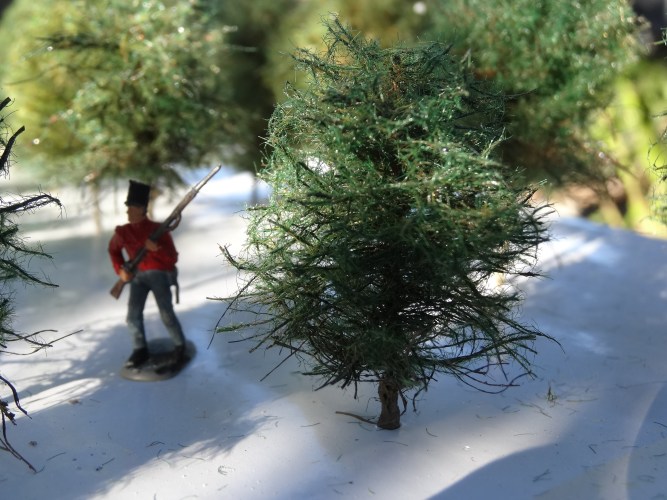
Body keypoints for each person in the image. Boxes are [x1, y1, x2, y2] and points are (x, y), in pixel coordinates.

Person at [108, 180, 186, 369]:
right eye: (128, 207)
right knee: (132, 316)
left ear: (142, 209)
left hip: (159, 275)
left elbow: (172, 258)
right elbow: (113, 250)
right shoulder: (123, 232)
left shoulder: (159, 230)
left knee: (166, 313)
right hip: (137, 277)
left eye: (132, 208)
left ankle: (179, 346)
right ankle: (139, 349)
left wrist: (156, 249)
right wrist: (121, 270)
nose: (128, 212)